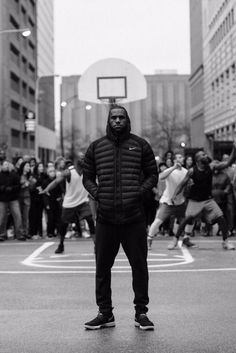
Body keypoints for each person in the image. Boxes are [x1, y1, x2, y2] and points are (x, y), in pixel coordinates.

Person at [82, 105, 158, 331]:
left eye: (121, 117)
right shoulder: (96, 147)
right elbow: (87, 178)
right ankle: (105, 313)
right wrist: (99, 194)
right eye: (113, 117)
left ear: (127, 120)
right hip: (106, 218)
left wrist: (138, 192)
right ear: (109, 120)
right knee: (102, 268)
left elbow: (153, 175)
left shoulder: (140, 144)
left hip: (133, 217)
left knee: (139, 267)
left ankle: (141, 313)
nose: (117, 121)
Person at [168, 145, 236, 251]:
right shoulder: (192, 171)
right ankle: (175, 240)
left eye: (205, 154)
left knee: (221, 218)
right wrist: (174, 195)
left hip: (208, 200)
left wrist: (234, 149)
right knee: (186, 220)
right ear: (198, 159)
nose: (205, 156)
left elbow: (228, 163)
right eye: (203, 155)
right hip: (194, 201)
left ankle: (225, 242)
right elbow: (181, 184)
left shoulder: (212, 166)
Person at [40, 159, 95, 254]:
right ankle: (61, 245)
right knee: (64, 225)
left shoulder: (89, 171)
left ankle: (96, 245)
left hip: (83, 202)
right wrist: (46, 189)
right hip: (70, 203)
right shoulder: (69, 172)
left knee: (90, 220)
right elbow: (56, 181)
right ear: (77, 166)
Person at [147, 153, 190, 249]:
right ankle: (149, 239)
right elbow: (161, 177)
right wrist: (173, 167)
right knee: (158, 221)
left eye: (182, 157)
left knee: (186, 221)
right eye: (179, 157)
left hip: (180, 202)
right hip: (168, 201)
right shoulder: (170, 171)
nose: (181, 158)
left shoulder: (186, 171)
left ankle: (186, 239)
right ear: (174, 160)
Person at [0, 160, 25, 241]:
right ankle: (2, 234)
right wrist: (3, 188)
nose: (6, 166)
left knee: (18, 216)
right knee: (2, 217)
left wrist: (12, 189)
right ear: (2, 166)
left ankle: (20, 234)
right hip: (2, 199)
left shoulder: (14, 175)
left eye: (8, 165)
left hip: (13, 198)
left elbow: (19, 186)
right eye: (5, 165)